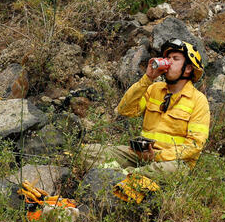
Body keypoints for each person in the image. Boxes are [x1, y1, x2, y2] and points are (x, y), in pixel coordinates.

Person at [81, 39, 211, 176]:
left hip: (172, 162)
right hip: (141, 156)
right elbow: (125, 110)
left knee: (172, 170)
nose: (169, 61)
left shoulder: (198, 100)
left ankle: (120, 174)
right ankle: (130, 176)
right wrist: (148, 78)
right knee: (88, 152)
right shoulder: (154, 89)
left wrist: (157, 156)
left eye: (175, 58)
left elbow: (195, 145)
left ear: (188, 68)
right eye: (167, 57)